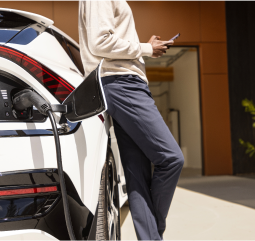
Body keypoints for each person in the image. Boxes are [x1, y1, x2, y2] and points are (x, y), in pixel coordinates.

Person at [78, 0, 184, 240]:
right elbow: (100, 42)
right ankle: (154, 232)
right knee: (171, 158)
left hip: (121, 83)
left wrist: (145, 47)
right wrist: (146, 48)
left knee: (137, 174)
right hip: (121, 83)